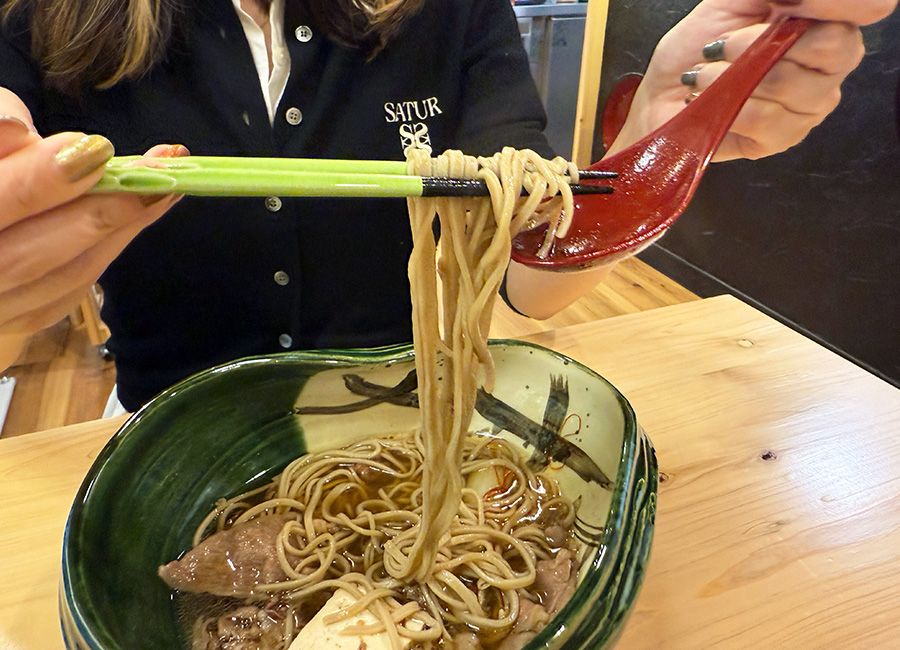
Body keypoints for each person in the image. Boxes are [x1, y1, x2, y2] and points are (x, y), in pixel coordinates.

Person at [0, 0, 895, 412]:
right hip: (170, 425)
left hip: (412, 417)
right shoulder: (44, 23)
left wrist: (659, 131)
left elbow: (523, 277)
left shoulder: (454, 12)